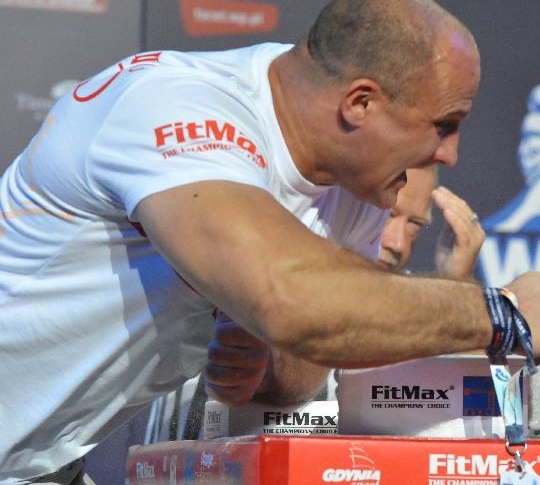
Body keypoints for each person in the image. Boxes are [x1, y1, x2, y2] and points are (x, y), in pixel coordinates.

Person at [0, 0, 540, 483]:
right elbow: (292, 301)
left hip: (42, 463)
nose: (450, 154)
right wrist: (501, 313)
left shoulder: (354, 178)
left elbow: (302, 356)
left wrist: (263, 363)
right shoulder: (175, 106)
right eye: (444, 125)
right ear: (360, 103)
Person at [145, 166, 485, 440]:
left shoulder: (412, 303)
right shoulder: (247, 269)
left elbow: (463, 405)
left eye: (415, 224)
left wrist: (454, 285)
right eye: (388, 215)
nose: (395, 242)